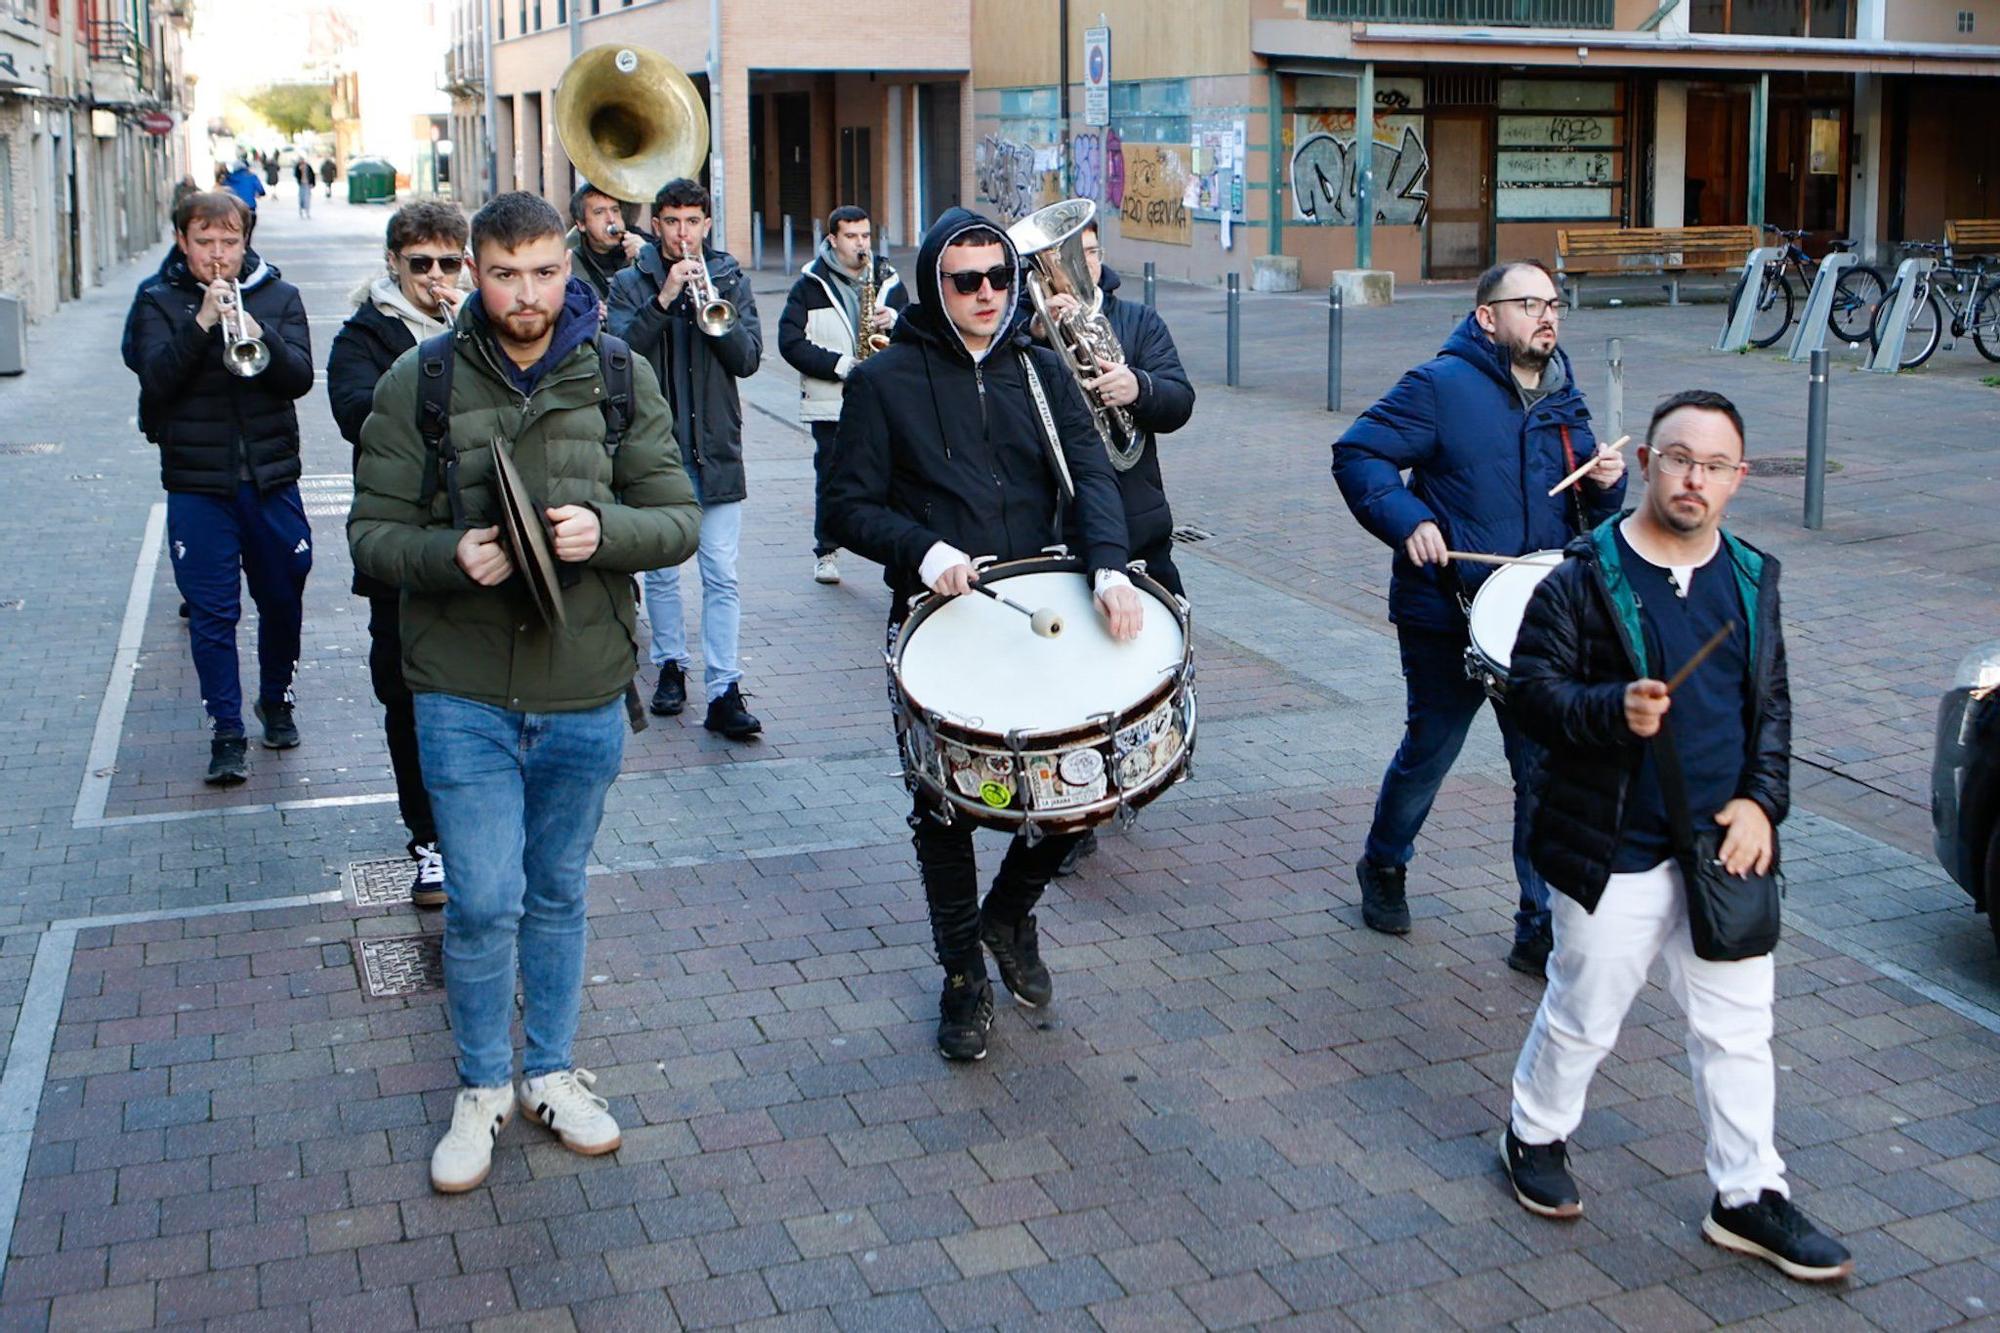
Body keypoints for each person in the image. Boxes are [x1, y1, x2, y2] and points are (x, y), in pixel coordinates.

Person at [349, 191, 701, 1195]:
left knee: (554, 892)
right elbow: (368, 539)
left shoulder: (620, 375)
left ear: (568, 268)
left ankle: (548, 1071)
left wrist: (607, 531)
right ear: (470, 270)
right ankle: (478, 1090)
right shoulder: (415, 383)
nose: (526, 294)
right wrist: (448, 554)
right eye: (504, 274)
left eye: (545, 271)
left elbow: (674, 515)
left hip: (585, 685)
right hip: (458, 691)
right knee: (482, 899)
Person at [1498, 389, 1853, 1283]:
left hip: (1721, 844)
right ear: (1649, 461)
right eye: (1678, 457)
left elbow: (1769, 708)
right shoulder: (1583, 574)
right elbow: (1532, 695)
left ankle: (1747, 1193)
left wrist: (1763, 803)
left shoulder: (1751, 576)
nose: (1694, 477)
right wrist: (1610, 709)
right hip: (1612, 839)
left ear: (1738, 478)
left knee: (1738, 1029)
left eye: (1714, 464)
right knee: (1586, 1009)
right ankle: (1534, 1130)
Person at [825, 207, 1141, 1063]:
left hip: (1043, 615)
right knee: (945, 808)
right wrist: (922, 551)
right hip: (940, 623)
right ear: (936, 283)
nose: (988, 295)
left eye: (1000, 278)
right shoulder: (882, 383)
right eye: (967, 281)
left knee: (1086, 782)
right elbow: (844, 507)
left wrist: (1108, 568)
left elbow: (1093, 484)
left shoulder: (1040, 370)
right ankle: (962, 971)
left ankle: (1007, 915)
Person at [1332, 260, 1625, 977]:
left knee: (1540, 770)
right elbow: (1358, 452)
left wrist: (1609, 488)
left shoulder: (1565, 394)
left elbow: (1583, 511)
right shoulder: (1439, 386)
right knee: (1432, 748)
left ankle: (1537, 924)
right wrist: (1408, 519)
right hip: (1446, 610)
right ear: (1488, 316)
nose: (1546, 316)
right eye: (1529, 304)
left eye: (1553, 303)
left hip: (1536, 618)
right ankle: (1385, 864)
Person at [121, 190, 315, 784]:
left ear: (245, 240)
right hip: (198, 485)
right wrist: (203, 322)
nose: (218, 255)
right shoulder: (156, 301)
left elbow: (300, 378)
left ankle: (276, 697)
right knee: (212, 613)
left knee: (282, 599)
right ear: (183, 242)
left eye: (229, 242)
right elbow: (155, 380)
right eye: (204, 242)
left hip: (271, 479)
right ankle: (225, 730)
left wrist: (260, 332)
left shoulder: (279, 296)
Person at [1034, 216, 1196, 878]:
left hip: (1137, 520)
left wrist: (1139, 388)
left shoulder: (1137, 322)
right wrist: (1041, 338)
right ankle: (1081, 808)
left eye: (1090, 252)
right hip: (1057, 525)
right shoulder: (1027, 328)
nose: (1081, 267)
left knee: (1148, 659)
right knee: (1076, 674)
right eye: (1067, 258)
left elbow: (1180, 400)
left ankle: (1133, 768)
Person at [326, 198, 470, 910]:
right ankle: (428, 838)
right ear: (394, 263)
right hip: (401, 540)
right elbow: (359, 414)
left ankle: (479, 826)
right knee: (406, 691)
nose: (436, 277)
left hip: (479, 535)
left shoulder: (486, 322)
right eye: (421, 264)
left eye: (450, 262)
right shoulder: (364, 333)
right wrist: (440, 354)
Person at [607, 177, 764, 739]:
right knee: (662, 572)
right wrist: (664, 299)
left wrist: (709, 315)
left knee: (721, 575)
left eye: (692, 222)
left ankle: (725, 687)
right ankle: (670, 666)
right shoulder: (629, 282)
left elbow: (747, 358)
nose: (682, 233)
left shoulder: (728, 278)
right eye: (672, 222)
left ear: (707, 224)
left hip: (717, 447)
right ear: (656, 225)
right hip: (656, 453)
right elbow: (618, 356)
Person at [777, 204, 907, 586]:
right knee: (832, 476)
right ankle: (827, 551)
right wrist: (842, 365)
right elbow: (790, 342)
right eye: (851, 237)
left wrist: (897, 321)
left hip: (884, 401)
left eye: (865, 236)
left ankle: (896, 559)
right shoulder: (809, 284)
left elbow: (917, 329)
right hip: (831, 401)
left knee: (894, 479)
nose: (861, 244)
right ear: (832, 239)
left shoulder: (888, 279)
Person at [566, 182, 645, 306]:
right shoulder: (569, 266)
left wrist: (649, 261)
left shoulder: (642, 249)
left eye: (615, 210)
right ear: (581, 224)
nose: (611, 219)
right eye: (599, 212)